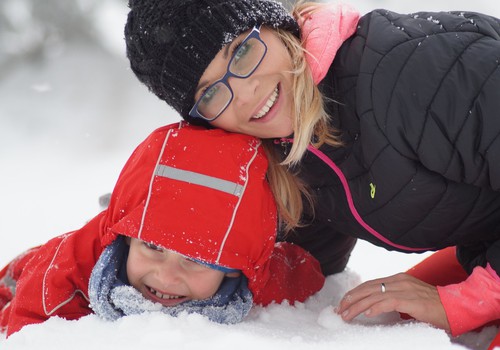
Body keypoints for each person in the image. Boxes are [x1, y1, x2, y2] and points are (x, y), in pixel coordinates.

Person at [123, 0, 500, 344]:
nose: (247, 91)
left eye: (241, 51)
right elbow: (303, 262)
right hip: (485, 246)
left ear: (274, 25)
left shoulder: (407, 73)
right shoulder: (288, 147)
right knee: (386, 319)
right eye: (209, 94)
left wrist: (467, 301)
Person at [0, 122, 324, 336]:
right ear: (127, 239)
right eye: (153, 248)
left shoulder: (253, 278)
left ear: (233, 269)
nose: (166, 277)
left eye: (196, 259)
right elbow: (28, 337)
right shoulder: (61, 276)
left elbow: (302, 273)